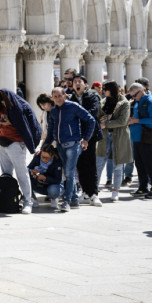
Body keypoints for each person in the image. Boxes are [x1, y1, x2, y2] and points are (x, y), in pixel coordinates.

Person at [41, 87, 96, 212]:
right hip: (60, 146)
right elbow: (50, 132)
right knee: (67, 173)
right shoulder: (54, 111)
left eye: (59, 96)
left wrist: (86, 138)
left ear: (65, 95)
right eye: (55, 97)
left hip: (73, 144)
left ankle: (66, 201)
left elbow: (91, 120)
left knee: (69, 173)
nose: (58, 98)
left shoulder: (73, 106)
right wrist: (43, 147)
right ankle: (75, 199)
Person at [0, 89, 42, 214]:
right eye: (0, 101)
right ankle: (8, 199)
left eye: (4, 100)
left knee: (21, 173)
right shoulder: (2, 107)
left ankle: (28, 201)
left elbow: (26, 125)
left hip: (16, 143)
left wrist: (11, 123)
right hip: (3, 142)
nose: (2, 102)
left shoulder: (20, 107)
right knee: (6, 174)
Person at [70, 75, 103, 207]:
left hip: (90, 135)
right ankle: (85, 192)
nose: (77, 84)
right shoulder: (71, 99)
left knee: (90, 163)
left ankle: (94, 193)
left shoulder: (92, 97)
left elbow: (93, 113)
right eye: (75, 82)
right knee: (80, 164)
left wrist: (78, 115)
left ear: (85, 84)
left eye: (80, 82)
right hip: (76, 135)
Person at [96, 81, 132, 202]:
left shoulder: (124, 103)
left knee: (118, 164)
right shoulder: (103, 102)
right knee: (99, 163)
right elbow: (99, 117)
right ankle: (93, 190)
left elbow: (123, 121)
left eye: (105, 89)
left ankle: (116, 190)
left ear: (111, 90)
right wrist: (105, 122)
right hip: (105, 137)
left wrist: (106, 123)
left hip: (119, 137)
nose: (103, 92)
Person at [127, 82, 152, 198]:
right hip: (136, 136)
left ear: (141, 91)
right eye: (131, 96)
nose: (133, 98)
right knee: (139, 164)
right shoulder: (138, 101)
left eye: (134, 95)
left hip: (146, 137)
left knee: (149, 164)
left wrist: (136, 121)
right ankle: (143, 188)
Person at [28, 144, 64, 208]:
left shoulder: (57, 162)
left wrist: (45, 178)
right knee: (25, 178)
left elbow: (57, 180)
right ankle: (33, 199)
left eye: (47, 158)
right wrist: (32, 172)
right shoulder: (37, 157)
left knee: (54, 189)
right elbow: (28, 168)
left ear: (52, 156)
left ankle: (54, 198)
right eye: (42, 157)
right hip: (39, 185)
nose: (44, 159)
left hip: (52, 187)